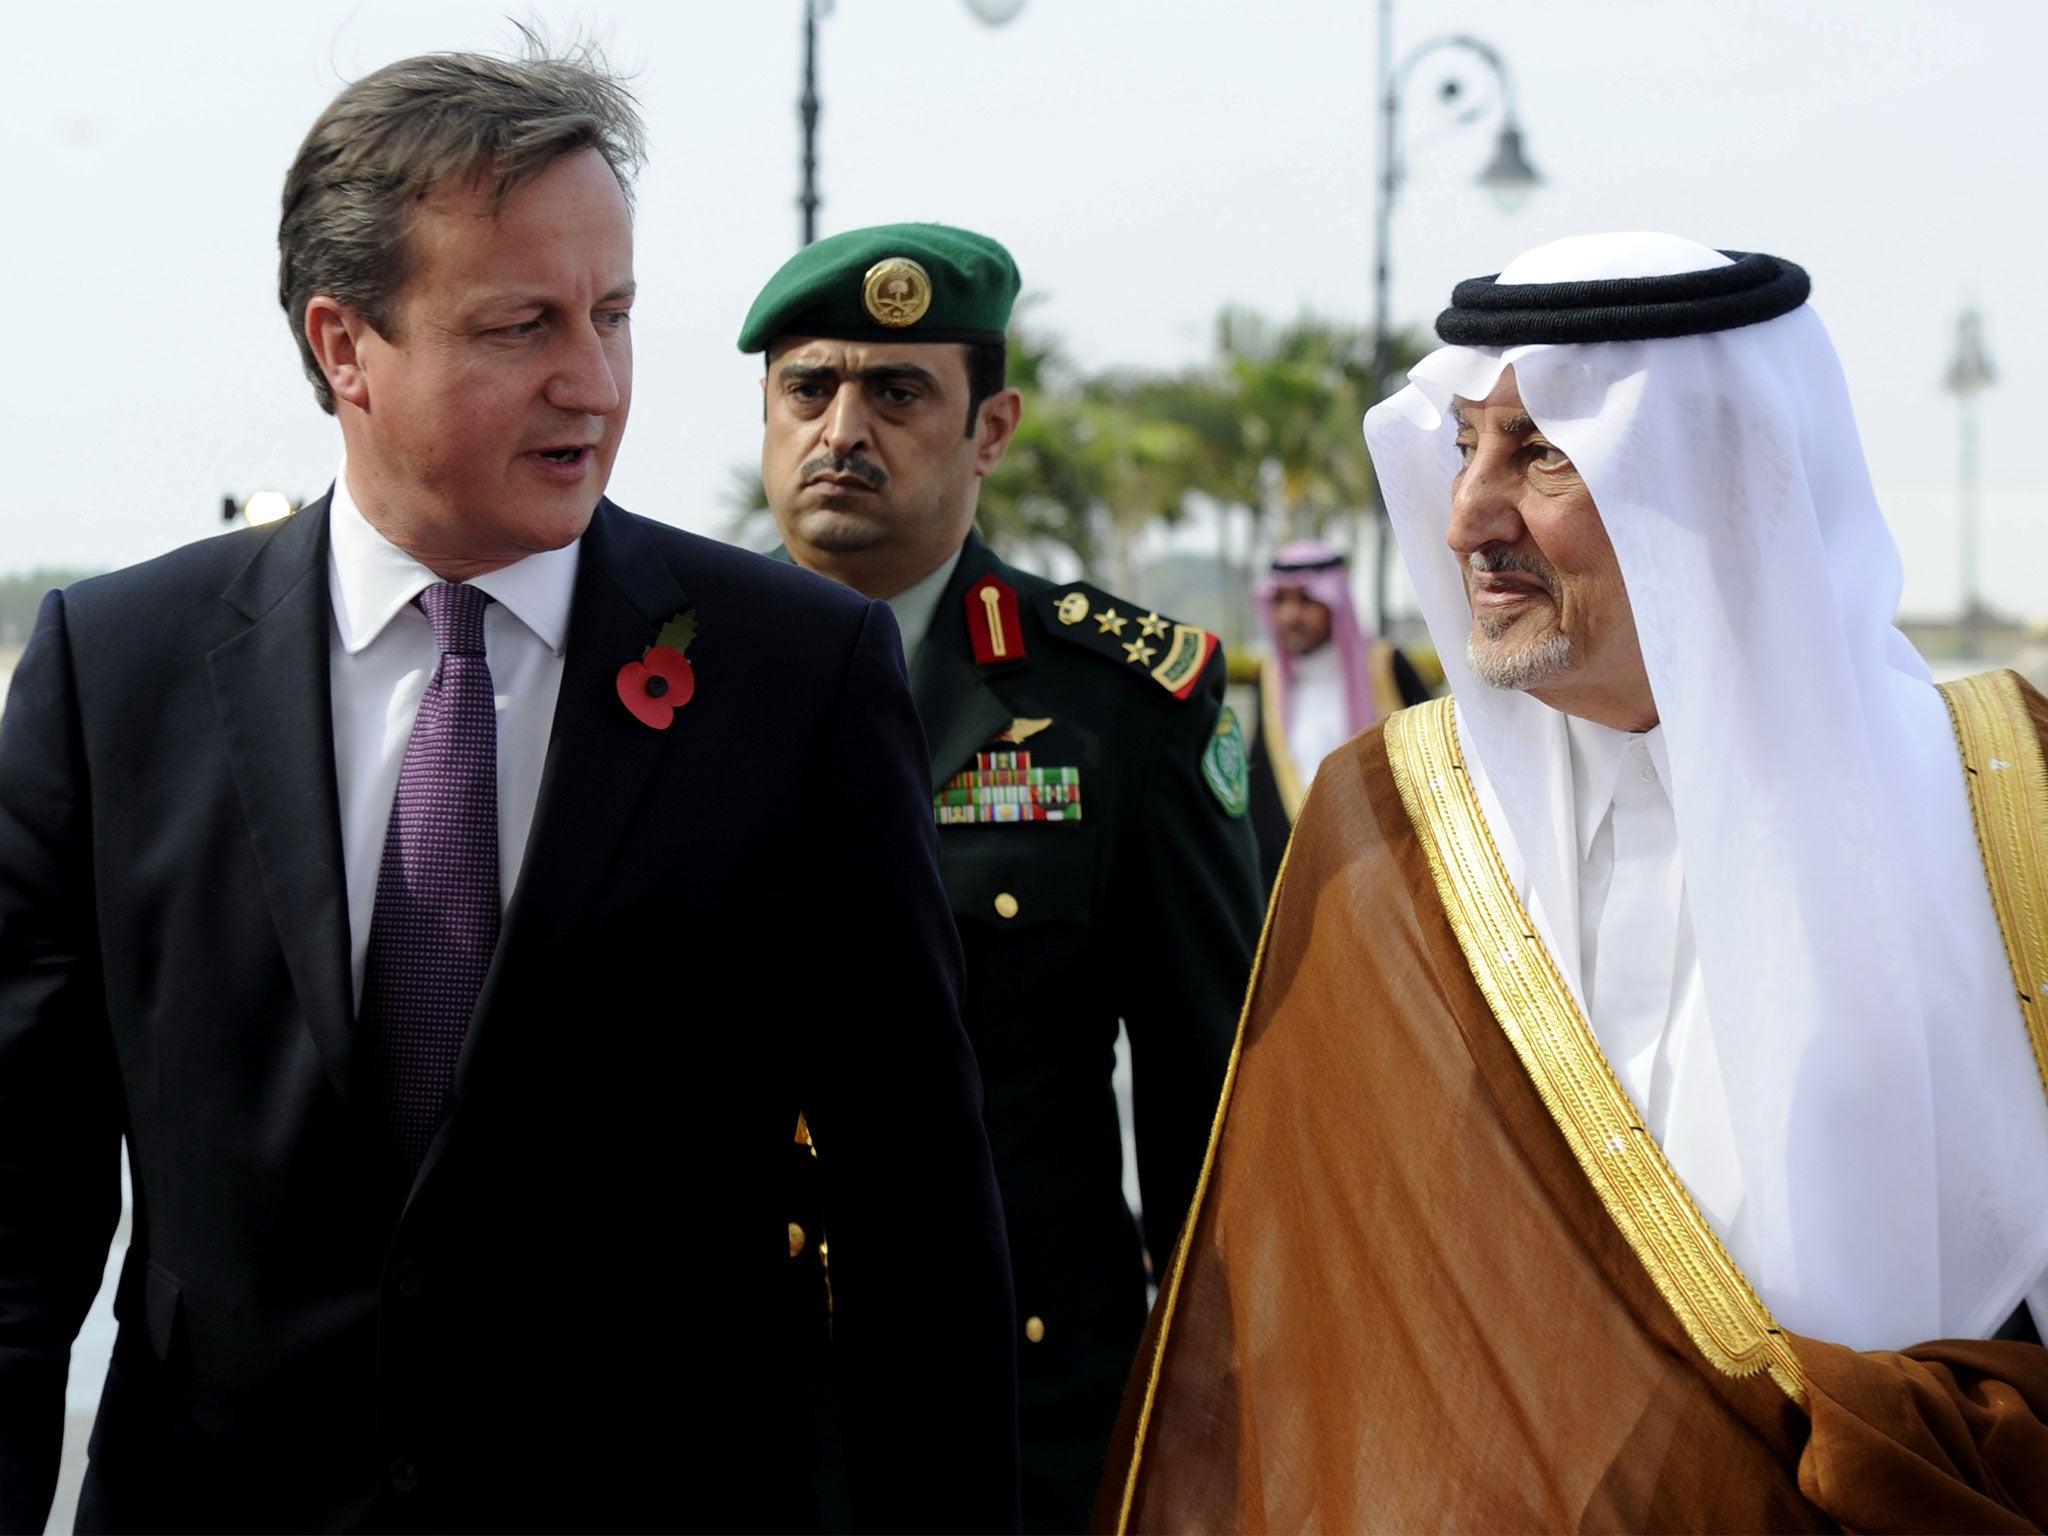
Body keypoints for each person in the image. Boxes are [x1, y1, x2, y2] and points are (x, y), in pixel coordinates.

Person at [0, 48, 1018, 1533]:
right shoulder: (117, 673)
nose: (593, 382)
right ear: (345, 344)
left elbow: (915, 1218)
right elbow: (20, 1229)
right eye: (520, 325)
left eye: (612, 316)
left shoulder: (795, 677)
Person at [1101, 234, 2048, 1531]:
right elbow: (1314, 1317)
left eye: (1544, 454)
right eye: (1465, 447)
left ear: (1720, 483)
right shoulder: (1394, 817)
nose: (1467, 519)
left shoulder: (2011, 797)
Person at [740, 222, 1264, 1533]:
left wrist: (1216, 1420)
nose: (843, 429)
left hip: (1022, 1418)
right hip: (720, 1412)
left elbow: (1216, 1121)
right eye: (810, 389)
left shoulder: (1125, 708)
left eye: (898, 393)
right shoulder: (660, 679)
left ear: (992, 428)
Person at [1246, 538, 1430, 888]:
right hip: (1302, 876)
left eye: (1306, 600)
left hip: (1389, 871)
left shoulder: (1386, 667)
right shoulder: (1269, 681)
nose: (1290, 615)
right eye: (1281, 601)